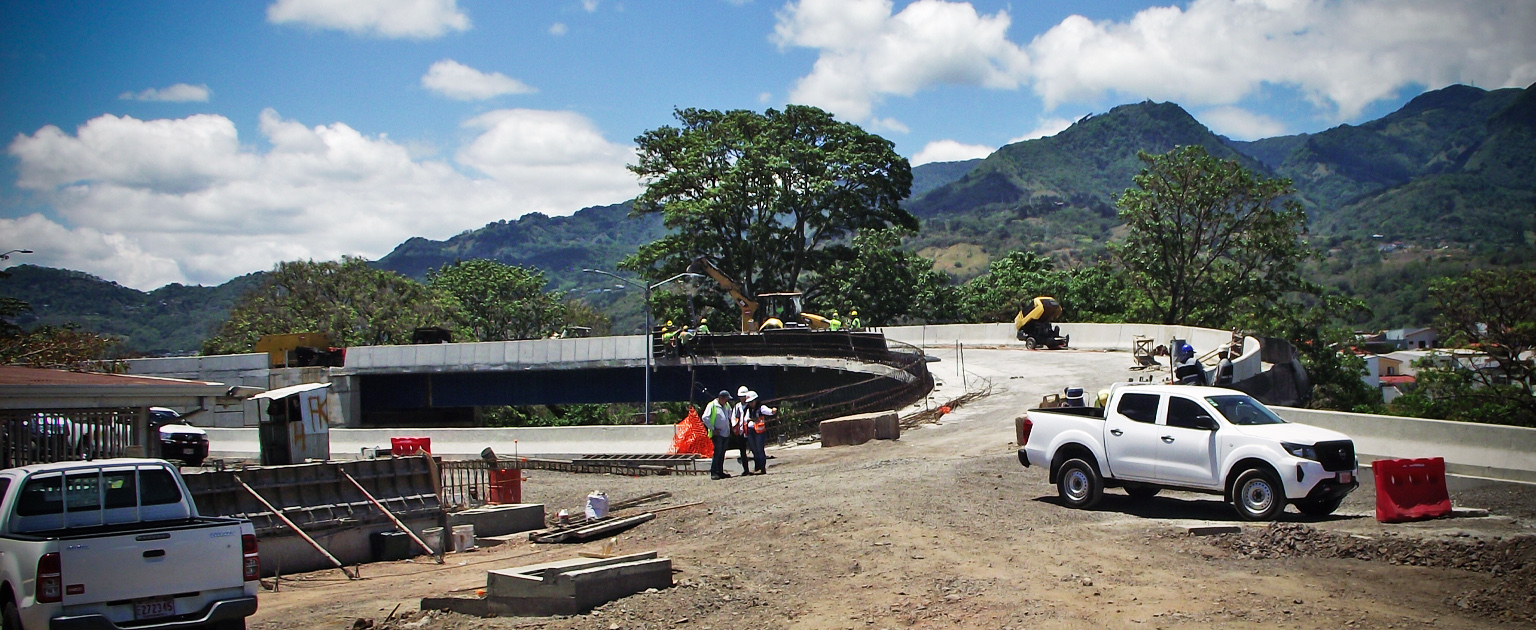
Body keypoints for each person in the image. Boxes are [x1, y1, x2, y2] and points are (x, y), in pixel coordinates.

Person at [703, 390, 734, 480]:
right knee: (717, 452)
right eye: (726, 399)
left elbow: (730, 415)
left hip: (725, 433)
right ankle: (714, 471)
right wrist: (713, 428)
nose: (727, 401)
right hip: (717, 434)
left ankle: (720, 471)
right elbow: (705, 418)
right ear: (721, 398)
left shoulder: (727, 405)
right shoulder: (712, 405)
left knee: (722, 453)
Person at [746, 392, 774, 474]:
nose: (751, 404)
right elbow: (746, 419)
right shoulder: (748, 409)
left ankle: (762, 467)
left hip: (759, 431)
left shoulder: (761, 408)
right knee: (754, 449)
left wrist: (773, 411)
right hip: (751, 430)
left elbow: (769, 411)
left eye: (752, 402)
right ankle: (757, 466)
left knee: (759, 449)